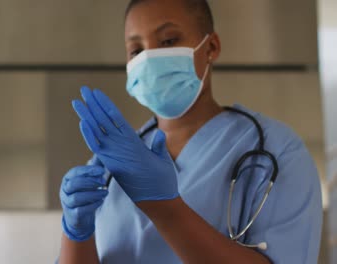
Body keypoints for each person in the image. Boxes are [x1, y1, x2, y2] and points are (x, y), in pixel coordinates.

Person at [57, 0, 323, 263]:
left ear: (211, 47)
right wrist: (75, 233)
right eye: (136, 50)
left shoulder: (276, 151)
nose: (149, 58)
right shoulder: (109, 164)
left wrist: (164, 208)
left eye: (169, 41)